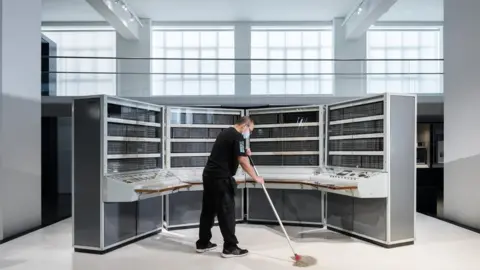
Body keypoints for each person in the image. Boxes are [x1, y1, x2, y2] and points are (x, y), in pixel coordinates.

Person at [195, 116, 264, 258]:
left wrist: (244, 151)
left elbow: (234, 153)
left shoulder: (225, 132)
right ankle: (230, 247)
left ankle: (203, 243)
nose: (249, 133)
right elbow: (243, 161)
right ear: (245, 126)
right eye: (250, 130)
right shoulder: (237, 136)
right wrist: (255, 177)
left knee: (208, 210)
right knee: (227, 212)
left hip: (209, 176)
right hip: (221, 179)